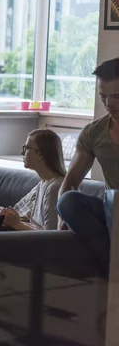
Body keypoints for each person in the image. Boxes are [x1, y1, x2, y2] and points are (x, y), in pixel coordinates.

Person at [57, 57, 119, 276]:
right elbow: (70, 183)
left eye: (116, 96)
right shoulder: (93, 133)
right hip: (113, 211)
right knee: (68, 201)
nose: (109, 105)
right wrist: (63, 217)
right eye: (104, 97)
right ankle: (111, 268)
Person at [0, 129, 66, 231]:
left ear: (40, 154)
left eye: (26, 148)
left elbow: (51, 237)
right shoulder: (42, 185)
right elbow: (36, 227)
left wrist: (17, 224)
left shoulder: (55, 187)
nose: (22, 152)